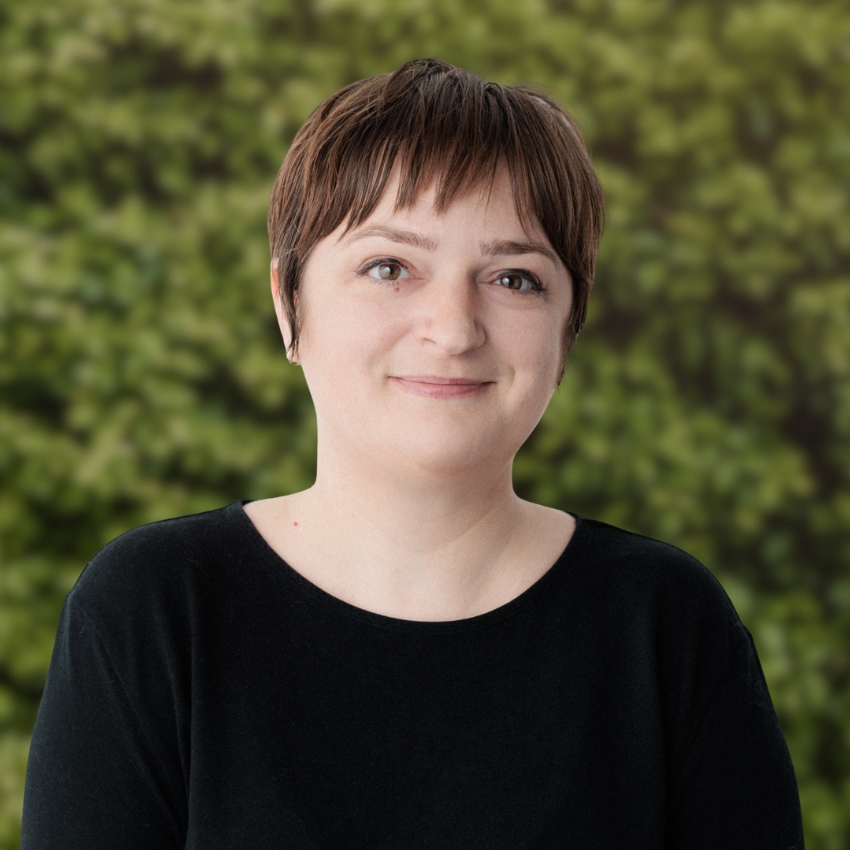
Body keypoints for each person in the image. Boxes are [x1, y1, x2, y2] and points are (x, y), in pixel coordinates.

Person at [22, 59, 804, 849]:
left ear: (569, 328)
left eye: (513, 277)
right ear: (288, 306)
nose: (454, 327)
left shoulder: (667, 626)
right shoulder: (151, 613)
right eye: (389, 267)